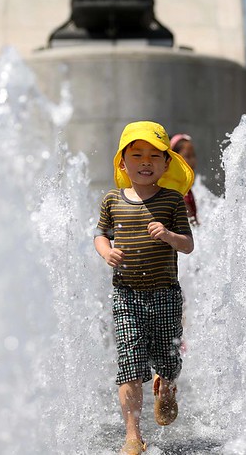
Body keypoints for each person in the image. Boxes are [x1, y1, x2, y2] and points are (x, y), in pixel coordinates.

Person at [94, 121, 195, 455]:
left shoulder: (171, 201)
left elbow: (188, 245)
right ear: (123, 161)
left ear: (167, 164)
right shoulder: (112, 200)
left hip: (165, 292)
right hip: (126, 294)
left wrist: (168, 235)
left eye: (155, 155)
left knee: (168, 359)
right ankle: (133, 434)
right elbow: (100, 234)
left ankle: (166, 386)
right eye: (136, 154)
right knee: (130, 361)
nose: (145, 161)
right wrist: (107, 251)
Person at [169, 133, 198, 226]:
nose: (193, 161)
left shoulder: (186, 187)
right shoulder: (177, 190)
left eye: (193, 155)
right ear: (175, 159)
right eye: (188, 156)